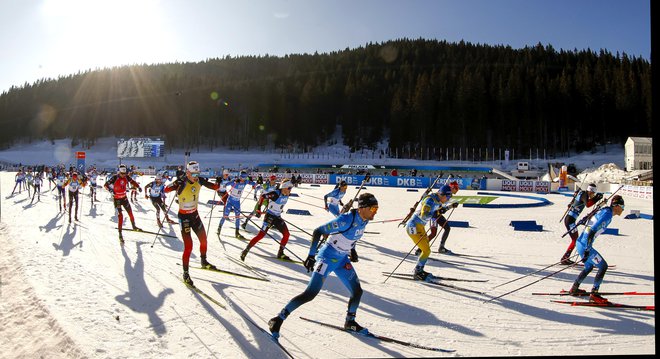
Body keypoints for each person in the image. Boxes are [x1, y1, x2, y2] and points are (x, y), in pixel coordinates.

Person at [268, 193, 379, 339]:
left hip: (341, 260)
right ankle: (278, 319)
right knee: (310, 293)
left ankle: (350, 322)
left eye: (376, 209)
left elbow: (353, 236)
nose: (375, 212)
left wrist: (352, 250)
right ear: (362, 208)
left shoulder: (364, 220)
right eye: (373, 208)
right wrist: (311, 255)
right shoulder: (346, 220)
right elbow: (318, 231)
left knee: (357, 291)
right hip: (327, 258)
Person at [164, 161, 220, 286]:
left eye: (197, 174)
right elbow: (166, 189)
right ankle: (185, 273)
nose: (196, 177)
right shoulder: (182, 181)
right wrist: (177, 183)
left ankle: (204, 261)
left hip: (195, 215)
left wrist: (218, 183)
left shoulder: (199, 180)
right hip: (184, 218)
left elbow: (214, 187)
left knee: (204, 240)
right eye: (193, 174)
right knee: (189, 246)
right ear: (188, 173)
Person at [568, 195, 625, 304]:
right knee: (603, 266)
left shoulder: (605, 211)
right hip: (585, 245)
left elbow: (590, 222)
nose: (623, 209)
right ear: (617, 206)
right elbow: (592, 231)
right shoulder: (607, 214)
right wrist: (588, 249)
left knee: (589, 267)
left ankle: (574, 288)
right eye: (622, 206)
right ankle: (594, 294)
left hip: (581, 243)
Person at [406, 184, 457, 281]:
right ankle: (418, 272)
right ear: (442, 194)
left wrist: (450, 206)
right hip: (413, 227)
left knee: (426, 249)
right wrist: (435, 212)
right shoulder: (430, 200)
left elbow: (438, 211)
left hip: (419, 227)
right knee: (426, 250)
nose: (448, 199)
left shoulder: (437, 200)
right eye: (448, 197)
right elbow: (424, 215)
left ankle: (419, 269)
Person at [240, 180, 294, 261]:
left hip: (277, 217)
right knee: (261, 235)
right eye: (289, 188)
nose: (290, 190)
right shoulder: (275, 194)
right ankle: (245, 250)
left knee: (286, 234)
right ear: (284, 187)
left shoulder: (287, 193)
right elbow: (263, 196)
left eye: (291, 188)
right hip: (270, 217)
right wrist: (258, 209)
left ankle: (280, 253)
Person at [561, 183, 603, 264]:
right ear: (590, 191)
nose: (593, 195)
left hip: (571, 220)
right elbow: (588, 204)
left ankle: (566, 257)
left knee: (575, 240)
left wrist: (597, 198)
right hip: (570, 220)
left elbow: (587, 201)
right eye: (593, 193)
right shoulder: (584, 194)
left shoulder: (584, 194)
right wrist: (596, 199)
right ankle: (565, 257)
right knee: (575, 240)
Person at [104, 164, 142, 243]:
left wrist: (138, 187)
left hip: (124, 198)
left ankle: (134, 226)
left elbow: (133, 182)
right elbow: (106, 185)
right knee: (120, 216)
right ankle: (120, 234)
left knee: (130, 213)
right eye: (122, 174)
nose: (123, 175)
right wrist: (111, 191)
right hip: (117, 199)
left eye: (125, 174)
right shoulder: (115, 177)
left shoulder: (126, 177)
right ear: (119, 172)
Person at [217, 170, 256, 239]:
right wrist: (221, 182)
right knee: (225, 215)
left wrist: (254, 186)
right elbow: (226, 184)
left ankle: (237, 232)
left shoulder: (246, 182)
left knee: (237, 217)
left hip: (237, 202)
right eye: (242, 178)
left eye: (244, 178)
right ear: (239, 176)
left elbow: (253, 183)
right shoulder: (235, 181)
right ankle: (219, 228)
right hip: (230, 201)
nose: (243, 180)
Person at [434, 181, 460, 254]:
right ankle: (420, 249)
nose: (457, 190)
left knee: (447, 228)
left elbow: (443, 208)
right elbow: (440, 201)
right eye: (456, 188)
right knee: (433, 233)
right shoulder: (446, 189)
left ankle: (441, 247)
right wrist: (449, 207)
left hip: (437, 212)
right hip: (433, 213)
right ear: (453, 187)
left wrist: (451, 206)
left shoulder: (449, 192)